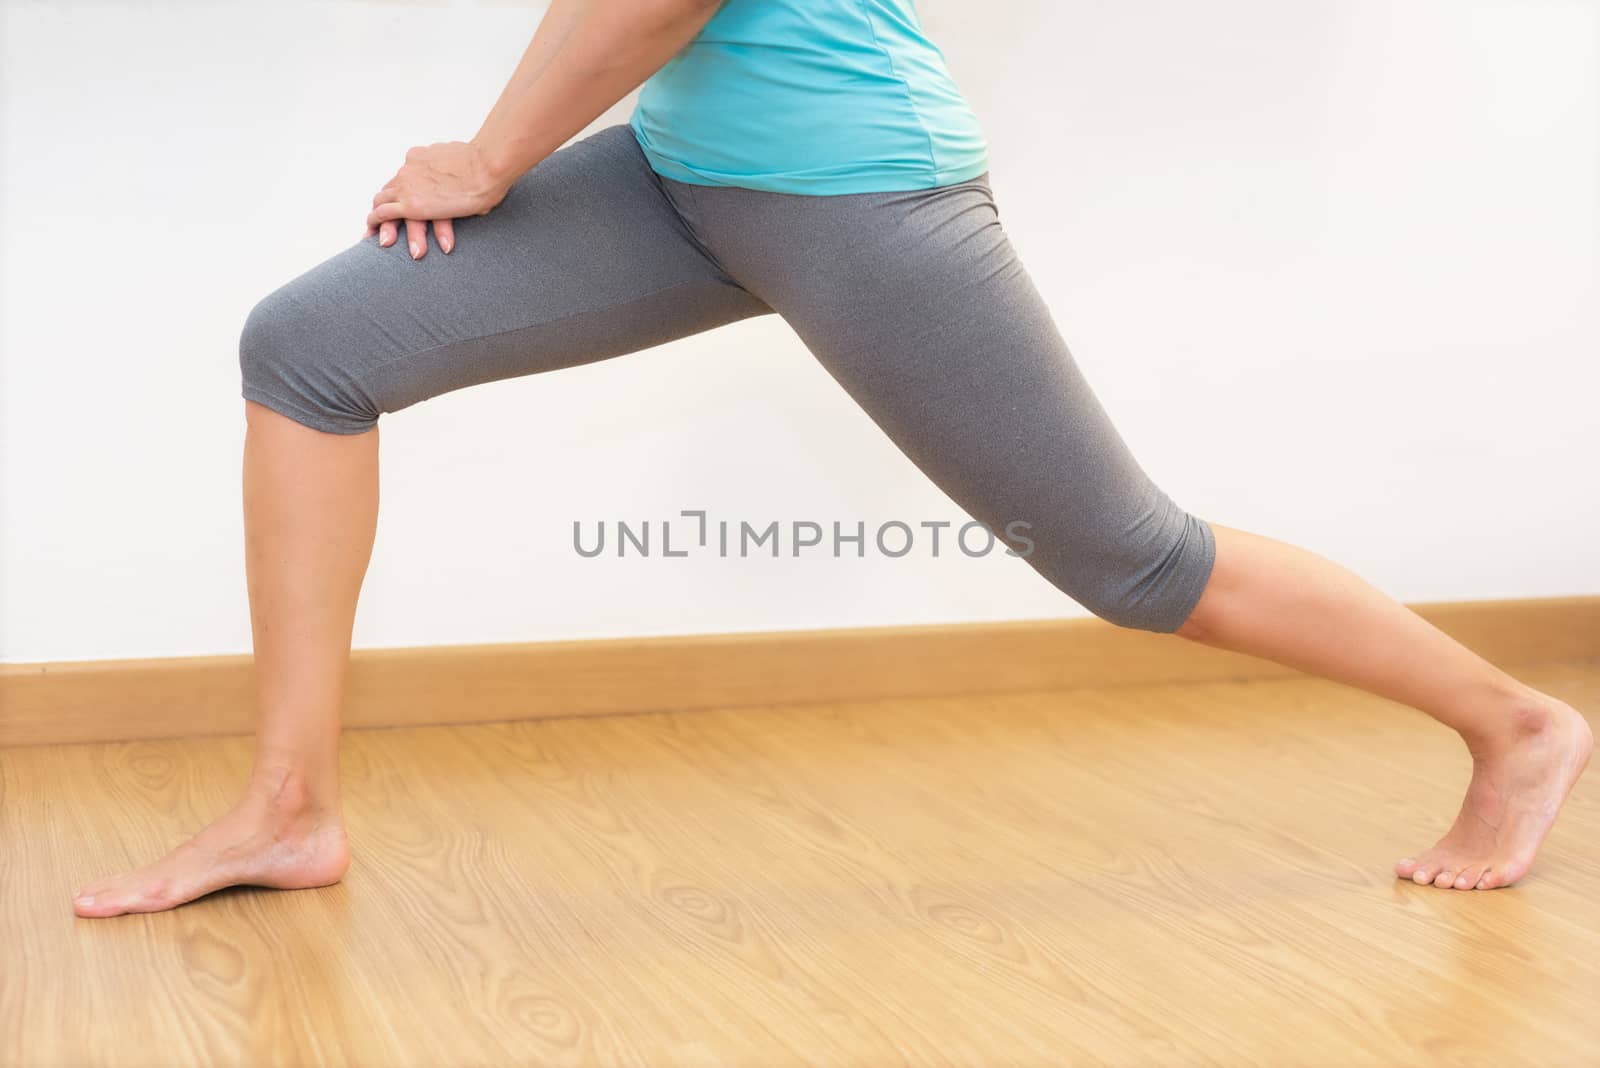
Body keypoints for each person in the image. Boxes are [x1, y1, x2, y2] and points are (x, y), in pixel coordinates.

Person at [71, 0, 1590, 918]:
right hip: (683, 173)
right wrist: (508, 147)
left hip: (855, 188)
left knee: (1131, 562)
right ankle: (289, 808)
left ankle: (1513, 722)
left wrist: (491, 155)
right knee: (312, 350)